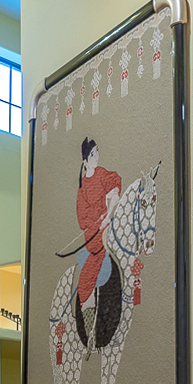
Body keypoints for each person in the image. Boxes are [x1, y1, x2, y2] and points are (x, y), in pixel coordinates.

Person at [74, 138, 124, 348]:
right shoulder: (83, 189)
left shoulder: (103, 174)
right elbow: (83, 220)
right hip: (94, 236)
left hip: (108, 227)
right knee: (91, 270)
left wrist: (108, 213)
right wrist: (98, 217)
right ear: (85, 161)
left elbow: (115, 189)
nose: (97, 157)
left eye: (97, 152)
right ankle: (90, 325)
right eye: (93, 154)